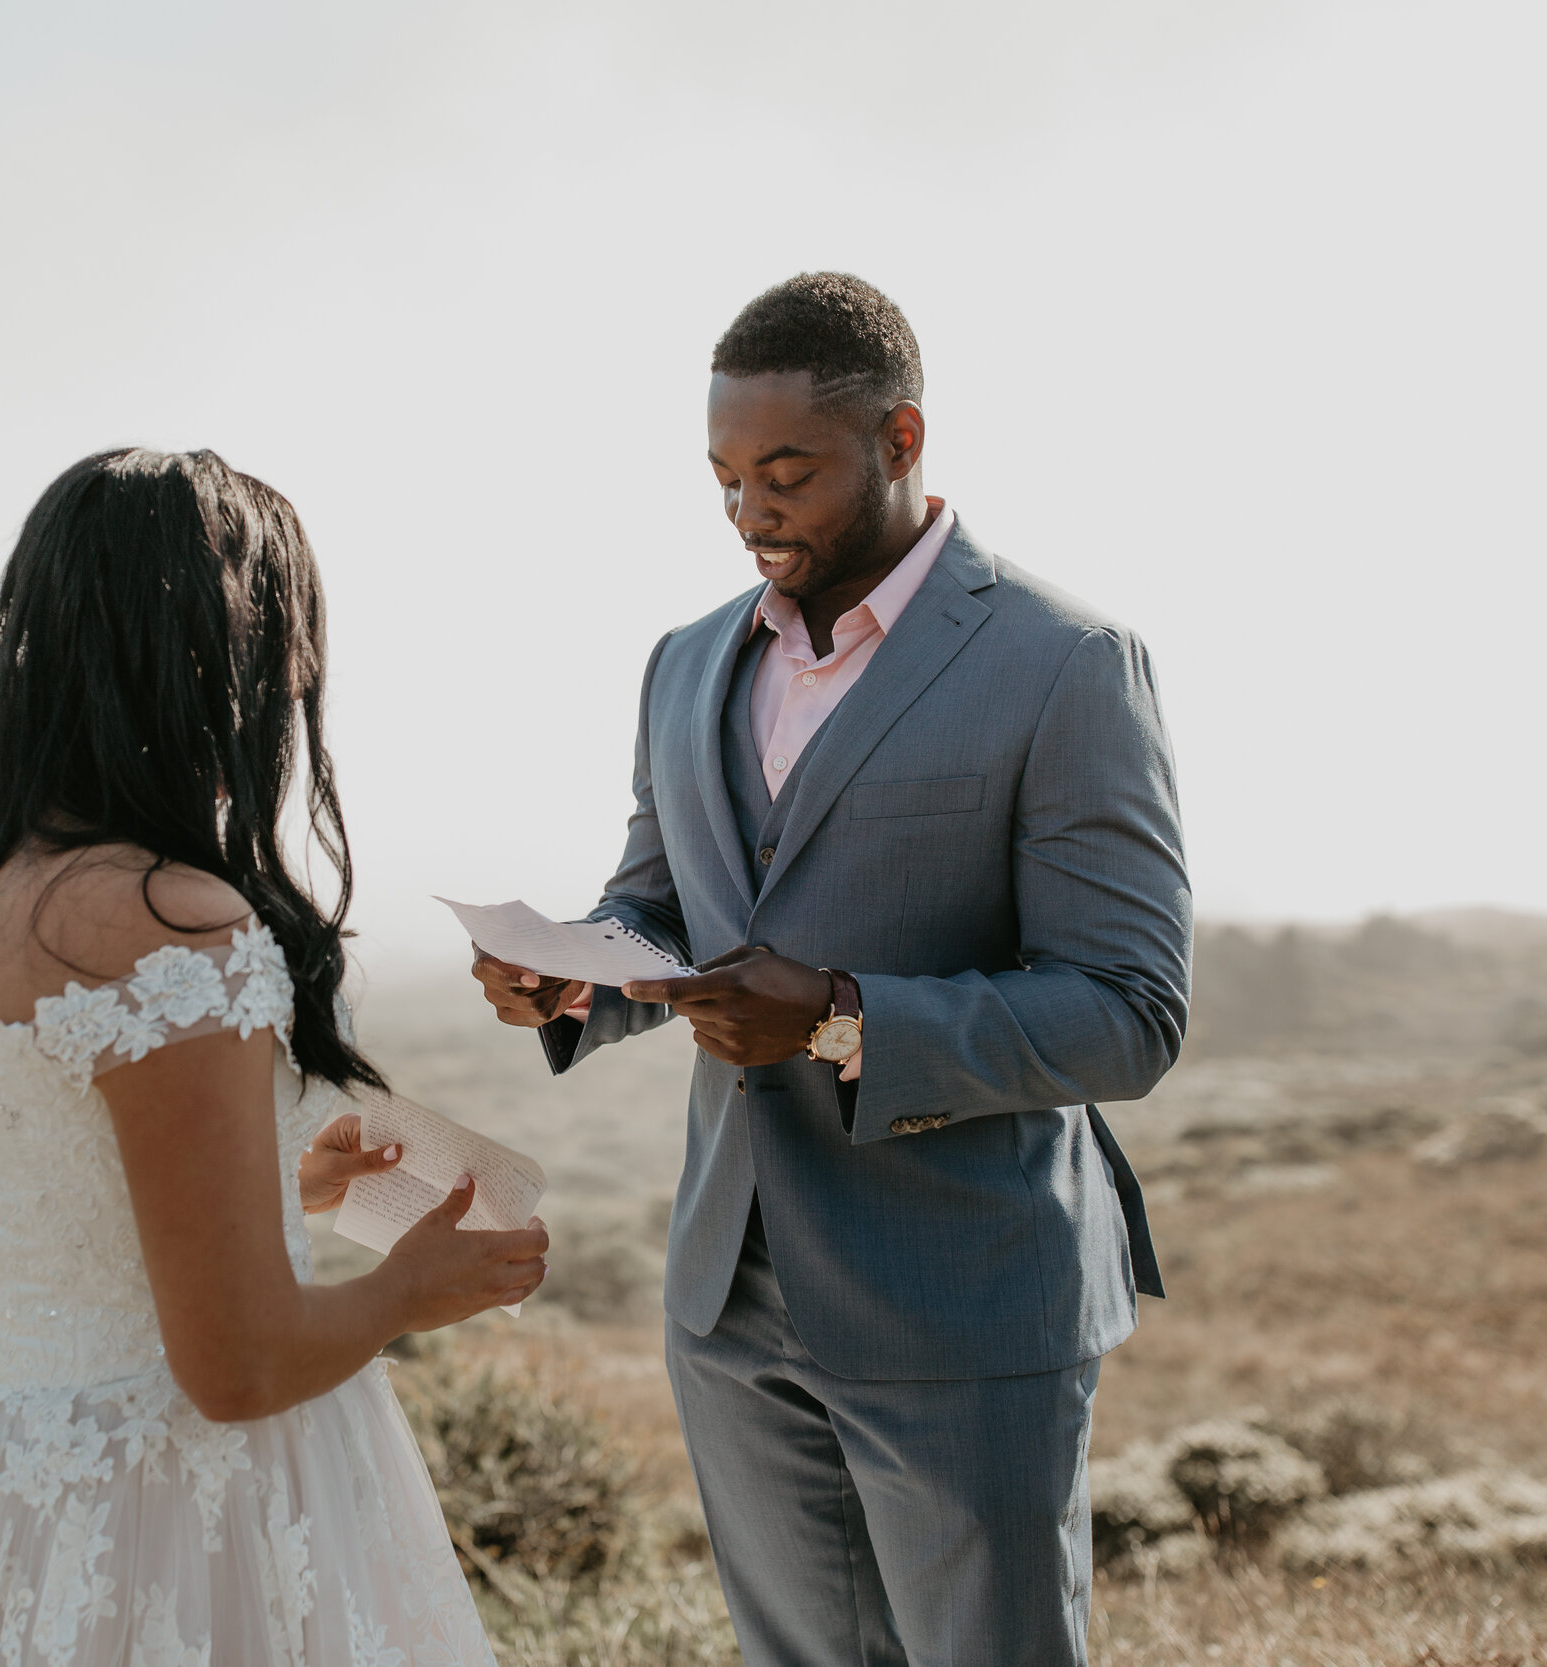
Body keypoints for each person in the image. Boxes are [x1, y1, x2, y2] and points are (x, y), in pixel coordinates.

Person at [473, 273, 1189, 1667]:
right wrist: (579, 974)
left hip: (963, 1290)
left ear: (902, 439)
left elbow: (1130, 1013)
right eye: (726, 476)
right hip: (729, 1287)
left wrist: (846, 1016)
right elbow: (662, 904)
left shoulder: (1067, 663)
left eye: (787, 471)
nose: (751, 508)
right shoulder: (684, 664)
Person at [0, 448, 541, 1666]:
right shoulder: (173, 921)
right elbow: (239, 1367)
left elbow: (16, 1234)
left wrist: (275, 1189)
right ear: (234, 655)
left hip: (2, 1509)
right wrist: (405, 1291)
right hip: (186, 1522)